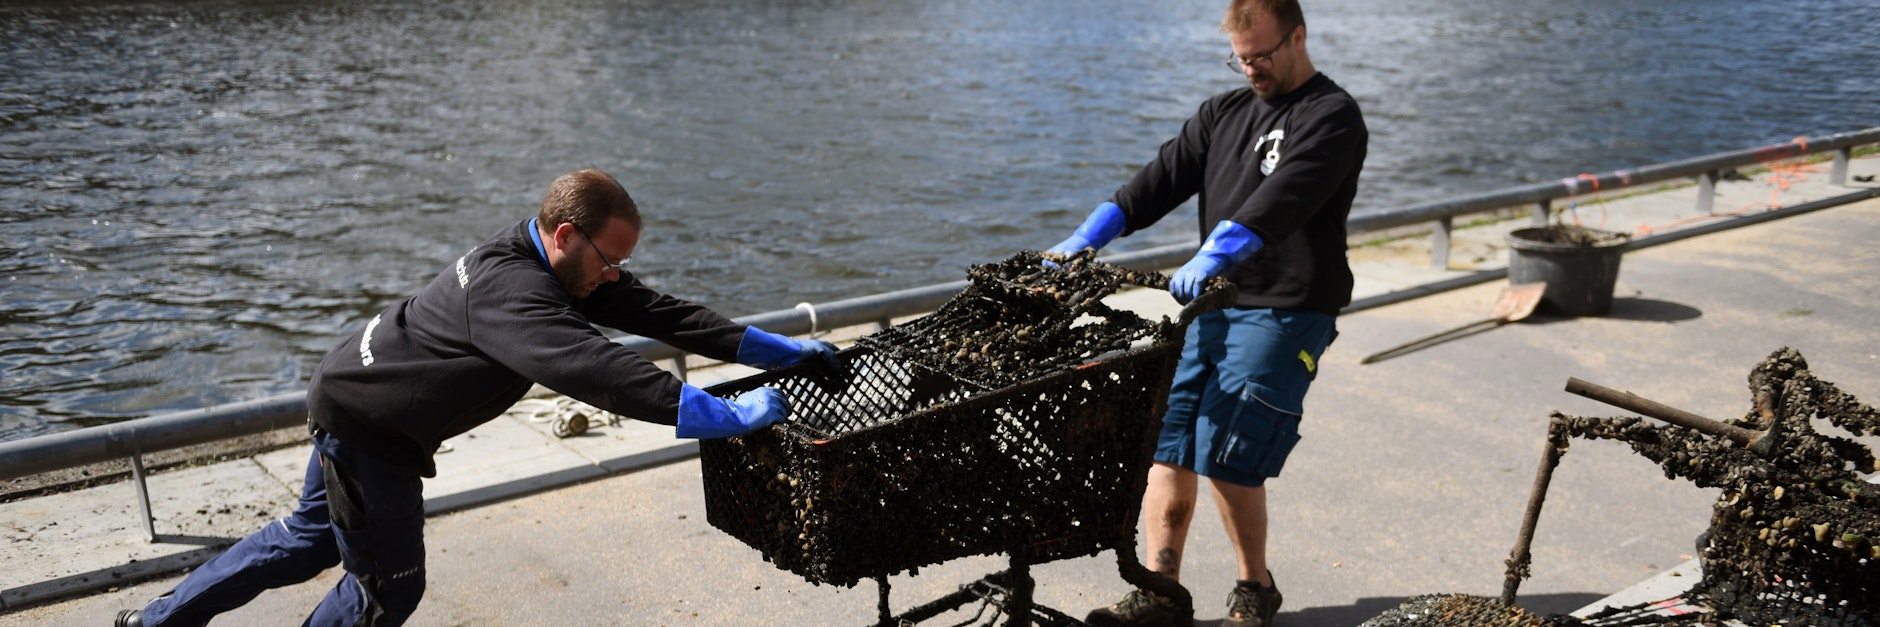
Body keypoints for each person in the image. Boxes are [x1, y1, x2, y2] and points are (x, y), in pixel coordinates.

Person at [116, 168, 840, 627]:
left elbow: (663, 316)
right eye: (612, 260)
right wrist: (723, 415)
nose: (618, 275)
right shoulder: (517, 297)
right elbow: (601, 370)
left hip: (351, 389)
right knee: (387, 589)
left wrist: (781, 350)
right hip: (373, 429)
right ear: (567, 235)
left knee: (305, 540)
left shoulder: (541, 259)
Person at [1045, 1, 1366, 626]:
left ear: (1298, 36)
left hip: (1287, 305)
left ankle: (1255, 588)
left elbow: (1285, 195)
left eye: (1264, 56)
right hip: (1209, 309)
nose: (1252, 70)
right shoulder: (1224, 113)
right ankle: (1160, 593)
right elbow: (1157, 181)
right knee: (1166, 448)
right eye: (1241, 59)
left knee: (1229, 452)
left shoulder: (1332, 116)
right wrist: (1088, 235)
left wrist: (1217, 250)